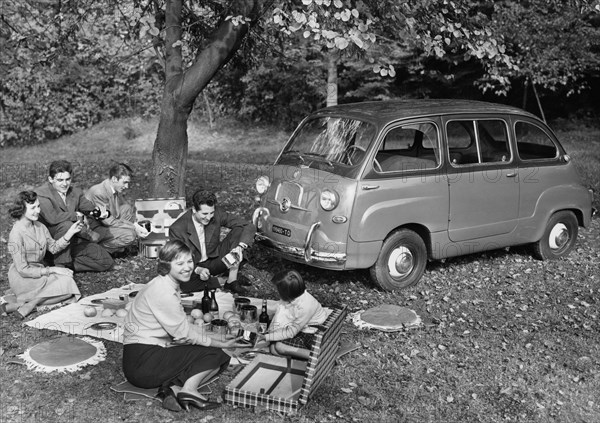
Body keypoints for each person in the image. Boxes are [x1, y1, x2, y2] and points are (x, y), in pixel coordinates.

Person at [122, 240, 246, 412]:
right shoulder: (163, 291)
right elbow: (184, 334)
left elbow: (183, 326)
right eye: (180, 263)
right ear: (166, 265)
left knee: (216, 356)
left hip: (142, 358)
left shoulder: (165, 283)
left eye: (189, 261)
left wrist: (219, 337)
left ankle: (172, 389)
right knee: (215, 354)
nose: (187, 267)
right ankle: (189, 391)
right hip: (143, 362)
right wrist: (221, 343)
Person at [3, 191, 83, 319]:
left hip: (40, 272)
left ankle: (27, 303)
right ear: (21, 210)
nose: (38, 211)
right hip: (22, 277)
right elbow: (23, 270)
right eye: (33, 208)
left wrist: (71, 232)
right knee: (66, 286)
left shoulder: (40, 227)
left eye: (38, 206)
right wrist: (53, 269)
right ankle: (31, 302)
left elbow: (53, 247)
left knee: (69, 283)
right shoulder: (16, 234)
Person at [168, 189, 256, 295]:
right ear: (194, 210)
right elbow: (178, 260)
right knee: (183, 284)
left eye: (212, 213)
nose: (209, 217)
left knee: (240, 229)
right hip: (194, 267)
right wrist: (197, 269)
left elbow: (248, 225)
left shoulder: (216, 213)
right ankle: (223, 281)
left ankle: (232, 280)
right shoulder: (177, 228)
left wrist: (240, 247)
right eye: (204, 213)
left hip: (216, 260)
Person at [35, 160, 113, 272]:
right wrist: (77, 215)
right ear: (50, 179)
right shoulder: (42, 193)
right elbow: (53, 218)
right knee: (66, 225)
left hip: (73, 239)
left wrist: (99, 212)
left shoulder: (75, 192)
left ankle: (62, 264)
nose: (65, 184)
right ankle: (60, 265)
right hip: (52, 243)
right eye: (60, 180)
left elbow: (88, 207)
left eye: (68, 179)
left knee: (106, 262)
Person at [259, 270, 328, 360]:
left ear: (286, 293)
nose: (276, 292)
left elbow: (291, 332)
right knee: (273, 349)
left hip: (312, 335)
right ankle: (299, 358)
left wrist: (266, 337)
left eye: (278, 290)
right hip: (303, 329)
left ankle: (319, 357)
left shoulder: (305, 306)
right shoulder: (295, 297)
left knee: (279, 347)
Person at [85, 163, 148, 255]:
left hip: (104, 220)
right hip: (94, 228)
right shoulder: (99, 193)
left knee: (126, 208)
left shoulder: (112, 187)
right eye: (125, 182)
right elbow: (108, 221)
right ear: (114, 179)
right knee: (130, 235)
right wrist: (135, 227)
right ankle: (99, 249)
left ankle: (122, 246)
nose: (127, 186)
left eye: (128, 183)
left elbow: (117, 213)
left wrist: (135, 225)